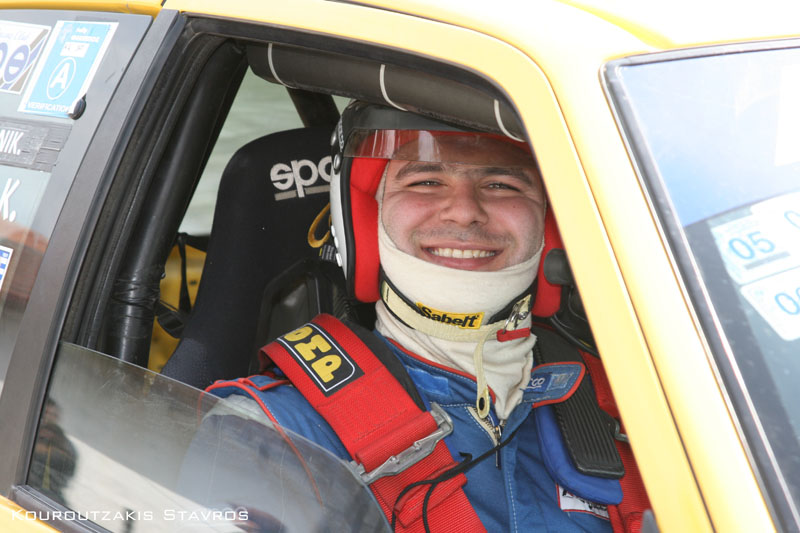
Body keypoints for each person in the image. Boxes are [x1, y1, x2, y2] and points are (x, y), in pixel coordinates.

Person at [205, 102, 616, 532]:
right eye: (426, 181)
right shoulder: (271, 435)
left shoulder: (631, 405)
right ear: (366, 219)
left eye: (502, 184)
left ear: (550, 224)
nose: (464, 211)